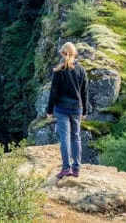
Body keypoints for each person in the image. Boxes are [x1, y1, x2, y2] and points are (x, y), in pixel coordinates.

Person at [46, 42, 88, 179]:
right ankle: (76, 168)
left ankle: (66, 168)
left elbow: (53, 93)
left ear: (63, 54)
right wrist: (85, 111)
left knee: (64, 138)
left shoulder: (59, 72)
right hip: (77, 108)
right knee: (76, 137)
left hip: (62, 109)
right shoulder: (81, 70)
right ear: (74, 53)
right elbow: (84, 92)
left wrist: (49, 110)